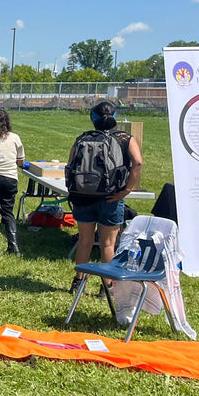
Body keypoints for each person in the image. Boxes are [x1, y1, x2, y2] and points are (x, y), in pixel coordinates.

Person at [67, 100, 143, 297]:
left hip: (83, 195)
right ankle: (106, 287)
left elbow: (70, 164)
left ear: (92, 119)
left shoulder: (83, 138)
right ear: (115, 118)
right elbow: (138, 162)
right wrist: (127, 189)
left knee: (85, 240)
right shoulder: (125, 138)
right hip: (111, 196)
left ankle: (78, 283)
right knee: (108, 244)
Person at [0, 108, 25, 255]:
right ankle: (13, 246)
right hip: (10, 178)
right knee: (7, 212)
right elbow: (20, 162)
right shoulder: (15, 138)